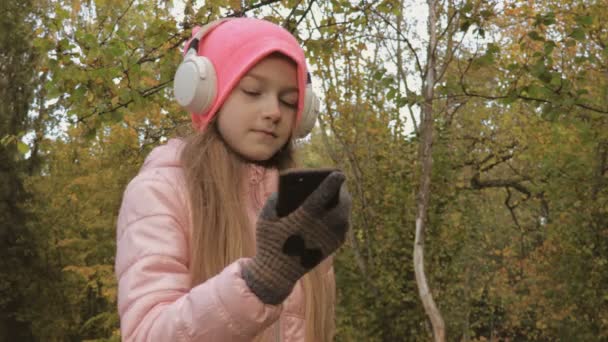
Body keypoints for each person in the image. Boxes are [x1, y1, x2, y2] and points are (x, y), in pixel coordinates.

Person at [114, 17, 352, 342]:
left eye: (289, 101)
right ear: (206, 94)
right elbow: (147, 334)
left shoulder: (301, 208)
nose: (274, 112)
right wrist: (258, 285)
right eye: (253, 91)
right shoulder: (160, 192)